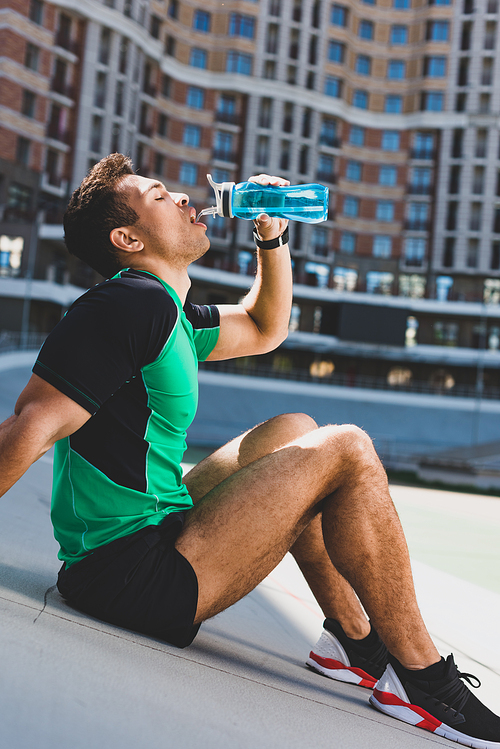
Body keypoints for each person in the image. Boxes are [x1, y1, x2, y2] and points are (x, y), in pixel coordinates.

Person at [0, 153, 498, 748]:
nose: (185, 199)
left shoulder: (168, 310)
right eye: (160, 197)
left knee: (293, 428)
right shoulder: (127, 304)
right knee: (347, 449)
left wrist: (272, 236)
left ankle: (353, 640)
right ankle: (422, 680)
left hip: (157, 531)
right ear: (127, 238)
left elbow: (266, 327)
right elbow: (31, 424)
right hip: (128, 574)